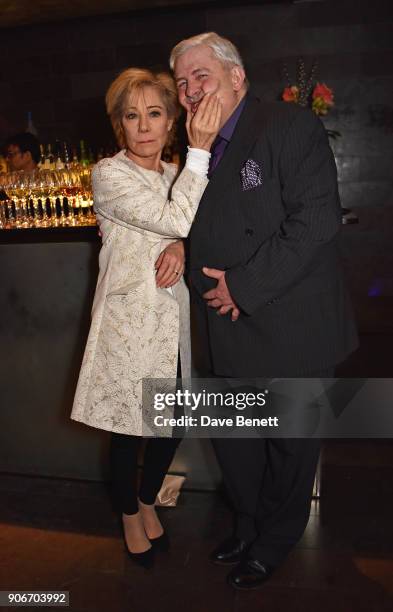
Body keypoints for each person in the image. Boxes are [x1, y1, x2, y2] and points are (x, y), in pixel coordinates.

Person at [170, 32, 358, 589]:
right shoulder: (197, 147)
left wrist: (244, 287)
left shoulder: (288, 126)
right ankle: (249, 523)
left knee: (289, 449)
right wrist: (182, 243)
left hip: (287, 323)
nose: (189, 90)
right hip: (224, 332)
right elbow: (194, 217)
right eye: (181, 82)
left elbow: (315, 222)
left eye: (201, 75)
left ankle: (274, 539)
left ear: (237, 77)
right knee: (236, 446)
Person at [71, 68, 221, 569]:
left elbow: (197, 224)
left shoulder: (177, 173)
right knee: (127, 429)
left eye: (154, 113)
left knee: (171, 422)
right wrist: (179, 228)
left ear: (171, 121)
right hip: (129, 319)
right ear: (120, 125)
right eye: (131, 116)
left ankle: (147, 496)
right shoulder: (109, 174)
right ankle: (127, 513)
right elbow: (176, 216)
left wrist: (182, 242)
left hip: (172, 320)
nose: (143, 126)